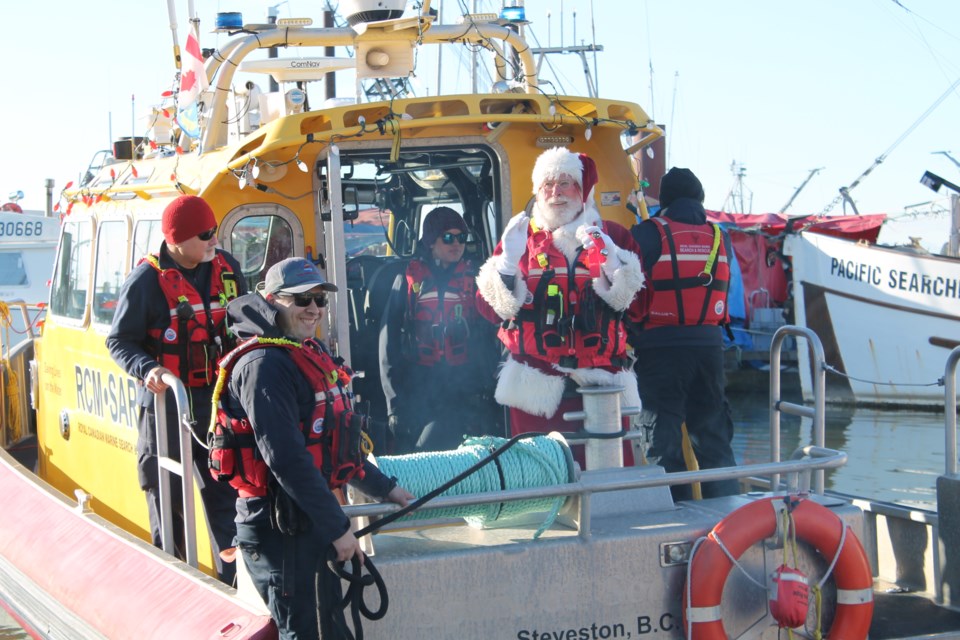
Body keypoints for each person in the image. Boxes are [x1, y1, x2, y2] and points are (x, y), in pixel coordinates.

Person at [210, 257, 414, 639]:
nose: (314, 310)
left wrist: (384, 487)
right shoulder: (264, 365)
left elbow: (337, 442)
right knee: (305, 632)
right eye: (302, 300)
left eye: (320, 300)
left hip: (307, 521)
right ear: (272, 300)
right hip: (277, 528)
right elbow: (285, 457)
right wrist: (338, 526)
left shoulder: (303, 351)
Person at [475, 147, 649, 465]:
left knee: (608, 480)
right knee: (538, 477)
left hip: (604, 388)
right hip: (534, 390)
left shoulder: (614, 236)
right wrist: (505, 266)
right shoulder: (519, 238)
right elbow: (488, 310)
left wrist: (617, 267)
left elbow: (641, 309)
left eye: (565, 182)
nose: (555, 192)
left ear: (583, 190)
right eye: (547, 184)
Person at [106, 194, 245, 582]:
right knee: (168, 498)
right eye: (205, 235)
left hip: (219, 401)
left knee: (228, 493)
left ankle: (235, 584)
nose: (213, 241)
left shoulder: (228, 269)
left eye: (214, 232)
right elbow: (119, 341)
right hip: (167, 405)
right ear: (176, 240)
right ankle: (176, 580)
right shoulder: (146, 281)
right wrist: (147, 368)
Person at [629, 167, 739, 501]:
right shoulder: (722, 237)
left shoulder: (646, 233)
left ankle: (675, 515)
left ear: (664, 201)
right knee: (714, 441)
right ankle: (728, 513)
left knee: (662, 444)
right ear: (700, 198)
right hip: (709, 350)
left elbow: (627, 287)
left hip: (659, 350)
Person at [379, 207, 500, 452]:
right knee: (416, 453)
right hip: (419, 386)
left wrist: (492, 386)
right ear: (431, 241)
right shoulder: (407, 281)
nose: (456, 243)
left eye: (461, 237)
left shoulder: (477, 279)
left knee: (441, 443)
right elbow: (387, 344)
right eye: (448, 237)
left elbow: (494, 333)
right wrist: (395, 406)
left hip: (465, 387)